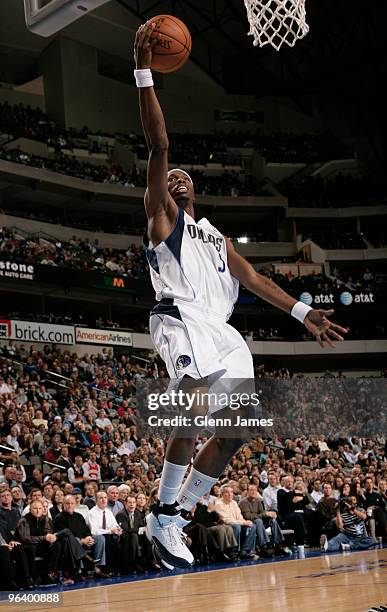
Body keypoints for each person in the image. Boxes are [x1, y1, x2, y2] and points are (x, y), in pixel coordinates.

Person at [133, 21, 347, 570]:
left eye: (185, 178)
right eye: (170, 178)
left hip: (225, 334)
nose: (177, 179)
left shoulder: (218, 239)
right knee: (194, 403)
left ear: (197, 191)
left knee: (233, 434)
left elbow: (257, 282)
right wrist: (144, 72)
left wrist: (303, 313)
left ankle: (177, 518)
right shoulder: (163, 220)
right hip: (180, 318)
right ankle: (160, 513)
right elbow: (158, 143)